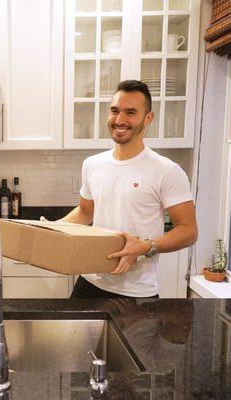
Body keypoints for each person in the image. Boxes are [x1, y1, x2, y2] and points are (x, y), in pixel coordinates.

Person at [62, 80, 198, 298]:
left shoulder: (167, 171)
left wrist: (145, 247)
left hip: (137, 291)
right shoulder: (92, 164)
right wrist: (51, 229)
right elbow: (86, 212)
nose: (119, 120)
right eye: (114, 111)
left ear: (148, 118)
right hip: (89, 283)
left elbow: (188, 231)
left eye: (130, 112)